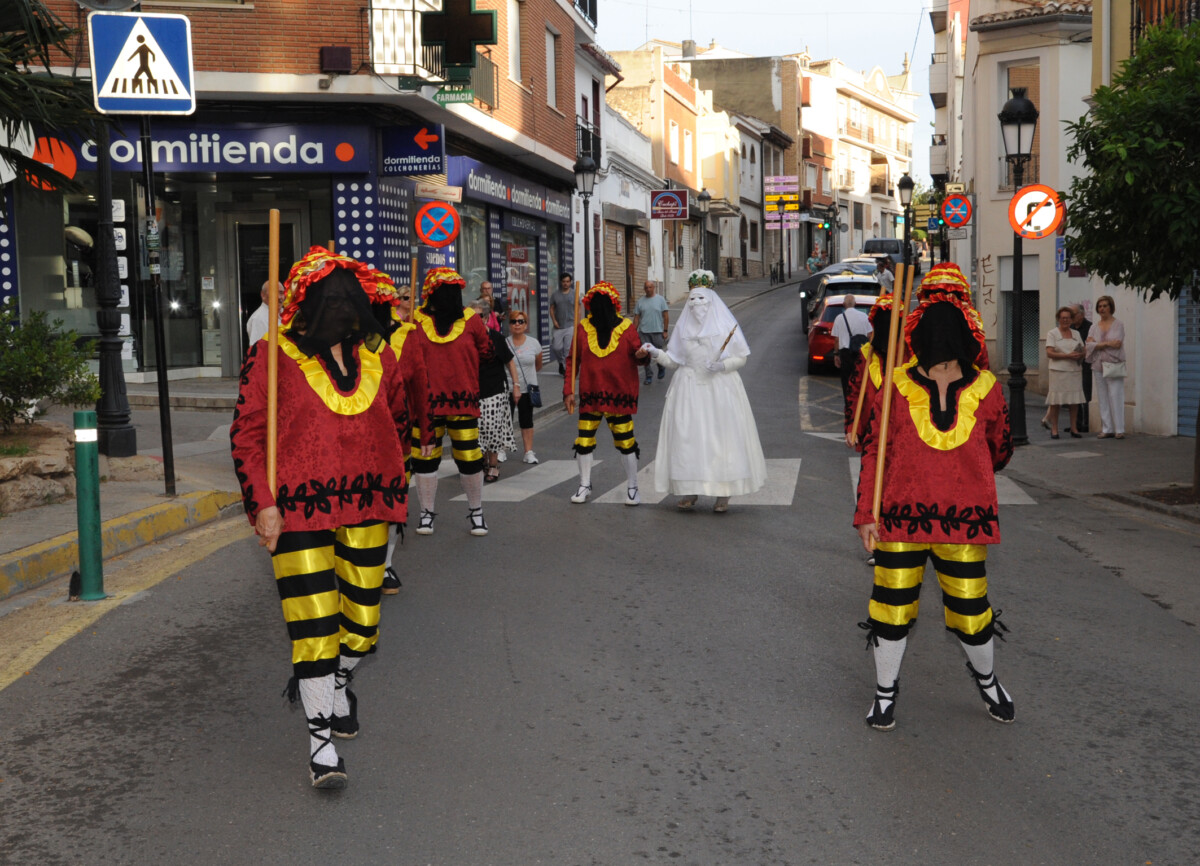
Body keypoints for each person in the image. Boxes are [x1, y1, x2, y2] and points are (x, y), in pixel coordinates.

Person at [229, 246, 413, 788]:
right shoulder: (270, 356)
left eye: (347, 301)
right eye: (329, 301)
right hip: (298, 513)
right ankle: (320, 744)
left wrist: (390, 472)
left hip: (368, 506)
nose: (340, 310)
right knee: (314, 626)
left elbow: (398, 422)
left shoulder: (380, 356)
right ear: (305, 304)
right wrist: (263, 502)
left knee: (361, 629)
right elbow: (246, 435)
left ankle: (337, 682)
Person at [854, 290, 1015, 732]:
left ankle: (987, 681)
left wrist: (970, 470)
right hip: (900, 518)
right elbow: (874, 450)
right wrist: (866, 513)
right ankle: (885, 694)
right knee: (890, 606)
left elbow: (1000, 448)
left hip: (963, 524)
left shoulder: (986, 389)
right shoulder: (896, 386)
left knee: (970, 610)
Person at [643, 270, 766, 512]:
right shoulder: (682, 328)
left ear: (710, 300)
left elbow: (741, 357)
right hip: (688, 390)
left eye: (702, 299)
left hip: (719, 389)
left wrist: (722, 365)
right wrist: (655, 353)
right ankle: (690, 490)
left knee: (720, 440)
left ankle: (723, 493)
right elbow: (674, 360)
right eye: (693, 299)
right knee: (688, 440)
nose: (697, 304)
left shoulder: (725, 326)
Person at [407, 267, 494, 536]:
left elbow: (487, 352)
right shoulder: (416, 320)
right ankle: (426, 512)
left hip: (462, 404)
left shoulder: (471, 320)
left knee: (469, 460)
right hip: (425, 406)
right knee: (424, 461)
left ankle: (477, 511)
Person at [369, 281, 433, 597]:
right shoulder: (340, 341)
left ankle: (386, 564)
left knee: (392, 501)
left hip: (396, 437)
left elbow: (420, 384)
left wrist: (427, 429)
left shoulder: (408, 336)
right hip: (354, 441)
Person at [563, 281, 650, 505]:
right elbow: (573, 360)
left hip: (618, 395)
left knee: (626, 442)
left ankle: (632, 486)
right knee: (583, 441)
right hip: (590, 395)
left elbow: (638, 354)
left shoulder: (626, 327)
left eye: (603, 304)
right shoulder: (583, 327)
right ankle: (584, 484)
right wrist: (568, 391)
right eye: (595, 304)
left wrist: (642, 355)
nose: (598, 309)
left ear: (612, 305)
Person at [474, 297, 520, 482]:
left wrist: (516, 386)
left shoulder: (496, 337)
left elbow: (510, 362)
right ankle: (483, 463)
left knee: (492, 429)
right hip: (474, 391)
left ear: (485, 318)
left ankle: (493, 465)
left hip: (495, 390)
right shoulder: (467, 338)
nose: (474, 319)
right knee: (478, 431)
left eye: (478, 316)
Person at [844, 293, 895, 450]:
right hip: (871, 432)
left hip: (900, 435)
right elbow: (854, 392)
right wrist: (853, 428)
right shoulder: (867, 356)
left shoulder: (909, 356)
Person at [1086, 294, 1127, 439]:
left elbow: (1117, 344)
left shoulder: (1119, 324)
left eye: (1105, 306)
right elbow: (1088, 345)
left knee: (1116, 395)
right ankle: (1107, 428)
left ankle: (1120, 429)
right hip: (1098, 364)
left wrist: (1097, 345)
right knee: (1102, 396)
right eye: (1100, 306)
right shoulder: (1094, 326)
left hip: (1113, 364)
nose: (1102, 309)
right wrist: (1106, 344)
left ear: (1111, 307)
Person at [1044, 306, 1086, 439]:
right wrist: (1067, 355)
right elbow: (1049, 352)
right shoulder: (1052, 333)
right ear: (1058, 319)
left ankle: (1074, 428)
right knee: (1056, 401)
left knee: (1074, 401)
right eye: (1063, 318)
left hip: (1074, 371)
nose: (1066, 320)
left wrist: (1081, 354)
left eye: (1068, 318)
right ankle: (1055, 429)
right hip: (1058, 371)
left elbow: (1083, 349)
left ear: (1072, 319)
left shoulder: (1076, 334)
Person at [507, 308, 543, 464]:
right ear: (509, 325)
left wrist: (527, 378)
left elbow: (538, 364)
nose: (517, 324)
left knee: (526, 421)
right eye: (514, 321)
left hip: (528, 389)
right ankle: (501, 450)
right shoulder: (505, 343)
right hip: (507, 388)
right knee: (505, 420)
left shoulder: (534, 343)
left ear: (526, 324)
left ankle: (528, 451)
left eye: (520, 321)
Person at [831, 294, 873, 410]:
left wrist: (836, 355)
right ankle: (861, 404)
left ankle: (849, 404)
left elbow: (836, 340)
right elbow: (870, 335)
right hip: (861, 352)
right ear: (855, 304)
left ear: (844, 304)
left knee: (847, 379)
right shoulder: (864, 316)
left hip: (846, 353)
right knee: (861, 377)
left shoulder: (839, 318)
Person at [633, 279, 670, 384]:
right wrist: (633, 332)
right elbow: (636, 318)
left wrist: (665, 330)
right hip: (644, 332)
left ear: (654, 288)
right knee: (645, 354)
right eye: (646, 287)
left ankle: (661, 367)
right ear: (644, 289)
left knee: (657, 353)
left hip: (658, 331)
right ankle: (648, 376)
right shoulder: (640, 302)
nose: (648, 289)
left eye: (650, 287)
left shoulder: (661, 300)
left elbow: (666, 316)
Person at [549, 273, 578, 376]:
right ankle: (561, 362)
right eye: (564, 282)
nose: (566, 284)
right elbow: (552, 308)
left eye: (567, 281)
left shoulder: (575, 294)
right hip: (558, 326)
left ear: (570, 282)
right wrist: (554, 321)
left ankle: (566, 369)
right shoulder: (555, 295)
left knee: (567, 349)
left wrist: (578, 322)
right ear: (561, 282)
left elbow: (579, 308)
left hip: (570, 325)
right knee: (556, 347)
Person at [1071, 304, 1093, 432]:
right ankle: (1076, 423)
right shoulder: (1071, 328)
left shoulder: (1089, 327)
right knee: (1075, 394)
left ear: (1082, 314)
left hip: (1086, 365)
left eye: (1073, 314)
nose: (1071, 317)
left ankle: (1087, 423)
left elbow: (1089, 346)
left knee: (1086, 394)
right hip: (1074, 365)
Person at [245, 279, 282, 348]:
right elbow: (258, 353)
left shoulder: (284, 313)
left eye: (281, 293)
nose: (279, 297)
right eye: (274, 292)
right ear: (263, 295)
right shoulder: (258, 318)